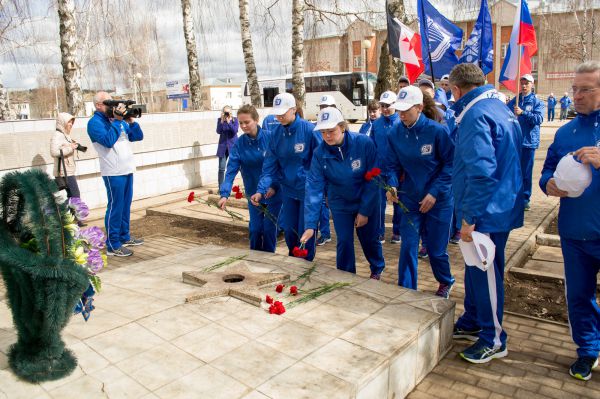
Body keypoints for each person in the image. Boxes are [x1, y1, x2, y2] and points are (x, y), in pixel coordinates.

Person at [449, 63, 524, 364]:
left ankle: (493, 338)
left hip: (485, 212)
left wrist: (469, 217)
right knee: (475, 269)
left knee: (487, 273)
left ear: (456, 90)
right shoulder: (497, 107)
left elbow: (481, 172)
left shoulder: (475, 115)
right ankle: (474, 318)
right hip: (497, 204)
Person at [539, 61, 600, 381]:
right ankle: (588, 351)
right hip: (575, 232)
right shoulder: (565, 132)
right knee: (579, 296)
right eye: (574, 89)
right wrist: (547, 184)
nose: (576, 96)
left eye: (585, 90)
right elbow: (547, 171)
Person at [385, 86, 455, 297]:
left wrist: (434, 192)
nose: (402, 114)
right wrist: (392, 184)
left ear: (420, 107)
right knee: (408, 246)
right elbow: (391, 165)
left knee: (435, 250)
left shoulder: (437, 131)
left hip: (439, 200)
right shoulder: (395, 133)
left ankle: (445, 281)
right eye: (399, 110)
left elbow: (451, 164)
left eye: (407, 110)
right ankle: (406, 289)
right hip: (411, 199)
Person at [301, 107, 384, 278]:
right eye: (323, 132)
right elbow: (314, 189)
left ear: (343, 127)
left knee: (369, 240)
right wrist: (310, 225)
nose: (327, 136)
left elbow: (374, 179)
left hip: (364, 199)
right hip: (339, 202)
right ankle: (346, 276)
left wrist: (364, 211)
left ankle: (377, 268)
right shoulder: (319, 154)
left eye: (331, 131)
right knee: (344, 241)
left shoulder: (363, 143)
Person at [251, 93, 321, 261]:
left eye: (283, 111)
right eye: (277, 112)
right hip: (288, 191)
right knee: (289, 232)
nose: (279, 116)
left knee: (305, 233)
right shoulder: (276, 134)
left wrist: (321, 188)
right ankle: (293, 261)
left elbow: (322, 161)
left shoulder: (309, 130)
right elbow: (269, 167)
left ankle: (306, 264)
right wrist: (260, 191)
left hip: (307, 192)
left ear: (294, 110)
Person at [218, 105, 282, 253]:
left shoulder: (270, 138)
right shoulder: (239, 144)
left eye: (247, 122)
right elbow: (230, 171)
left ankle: (268, 260)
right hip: (254, 195)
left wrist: (275, 186)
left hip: (273, 192)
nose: (243, 126)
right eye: (240, 123)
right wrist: (224, 194)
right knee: (255, 229)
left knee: (268, 230)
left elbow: (280, 167)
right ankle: (254, 258)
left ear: (256, 120)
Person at [87, 92, 144, 257]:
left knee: (125, 206)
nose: (113, 107)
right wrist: (118, 120)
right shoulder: (95, 122)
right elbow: (108, 141)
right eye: (108, 103)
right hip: (113, 172)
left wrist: (131, 121)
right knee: (115, 207)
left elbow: (137, 136)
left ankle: (124, 236)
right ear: (98, 105)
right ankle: (113, 244)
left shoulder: (117, 121)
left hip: (127, 169)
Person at [507, 74, 544, 211]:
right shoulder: (515, 101)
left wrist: (523, 113)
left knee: (526, 172)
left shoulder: (536, 102)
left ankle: (525, 199)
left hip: (528, 143)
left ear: (532, 85)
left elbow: (539, 119)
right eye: (522, 83)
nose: (523, 85)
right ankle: (513, 197)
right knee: (514, 171)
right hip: (514, 142)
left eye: (526, 83)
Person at [371, 90, 402, 244]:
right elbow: (372, 146)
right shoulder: (376, 124)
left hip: (397, 171)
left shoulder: (401, 122)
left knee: (397, 202)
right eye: (382, 106)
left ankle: (397, 231)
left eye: (387, 106)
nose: (384, 109)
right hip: (380, 170)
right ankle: (379, 232)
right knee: (379, 204)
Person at [51, 112, 81, 198]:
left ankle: (72, 211)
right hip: (64, 171)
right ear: (62, 122)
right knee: (75, 195)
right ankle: (74, 211)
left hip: (67, 170)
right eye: (69, 122)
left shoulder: (65, 135)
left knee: (72, 195)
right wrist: (70, 148)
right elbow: (53, 152)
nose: (71, 124)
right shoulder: (57, 135)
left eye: (72, 122)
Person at [216, 105, 239, 189]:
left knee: (236, 168)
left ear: (231, 112)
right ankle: (221, 188)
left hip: (233, 147)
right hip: (222, 148)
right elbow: (218, 131)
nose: (226, 114)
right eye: (225, 112)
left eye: (227, 112)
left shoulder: (235, 120)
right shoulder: (220, 120)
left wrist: (229, 122)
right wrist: (222, 122)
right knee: (221, 169)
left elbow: (235, 131)